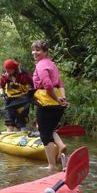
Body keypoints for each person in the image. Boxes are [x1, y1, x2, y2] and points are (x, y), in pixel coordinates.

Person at [30, 40, 68, 172]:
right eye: (33, 50)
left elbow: (47, 85)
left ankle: (51, 166)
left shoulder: (41, 65)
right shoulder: (52, 64)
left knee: (45, 134)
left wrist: (57, 98)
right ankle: (60, 145)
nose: (35, 52)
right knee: (49, 128)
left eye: (38, 50)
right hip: (57, 105)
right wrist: (62, 99)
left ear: (45, 52)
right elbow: (61, 83)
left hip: (47, 103)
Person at [0, 59, 33, 132]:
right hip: (10, 101)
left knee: (21, 123)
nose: (7, 72)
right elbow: (1, 87)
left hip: (23, 102)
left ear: (14, 69)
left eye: (8, 70)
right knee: (9, 123)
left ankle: (22, 134)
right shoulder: (5, 76)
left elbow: (32, 85)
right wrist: (2, 94)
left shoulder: (24, 74)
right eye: (6, 70)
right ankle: (9, 135)